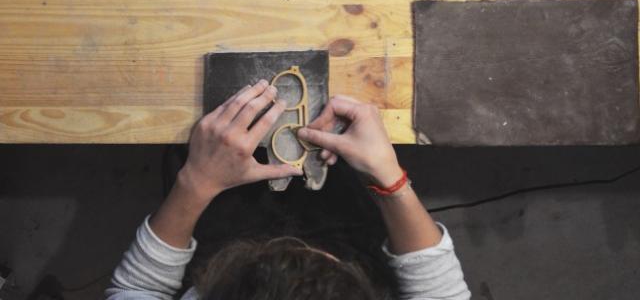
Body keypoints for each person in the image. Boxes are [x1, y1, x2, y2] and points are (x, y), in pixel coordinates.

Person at [106, 80, 470, 299]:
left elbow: (139, 291)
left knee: (202, 132)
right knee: (339, 166)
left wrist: (197, 182)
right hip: (350, 246)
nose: (294, 241)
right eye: (318, 259)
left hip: (221, 242)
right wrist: (389, 178)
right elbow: (439, 294)